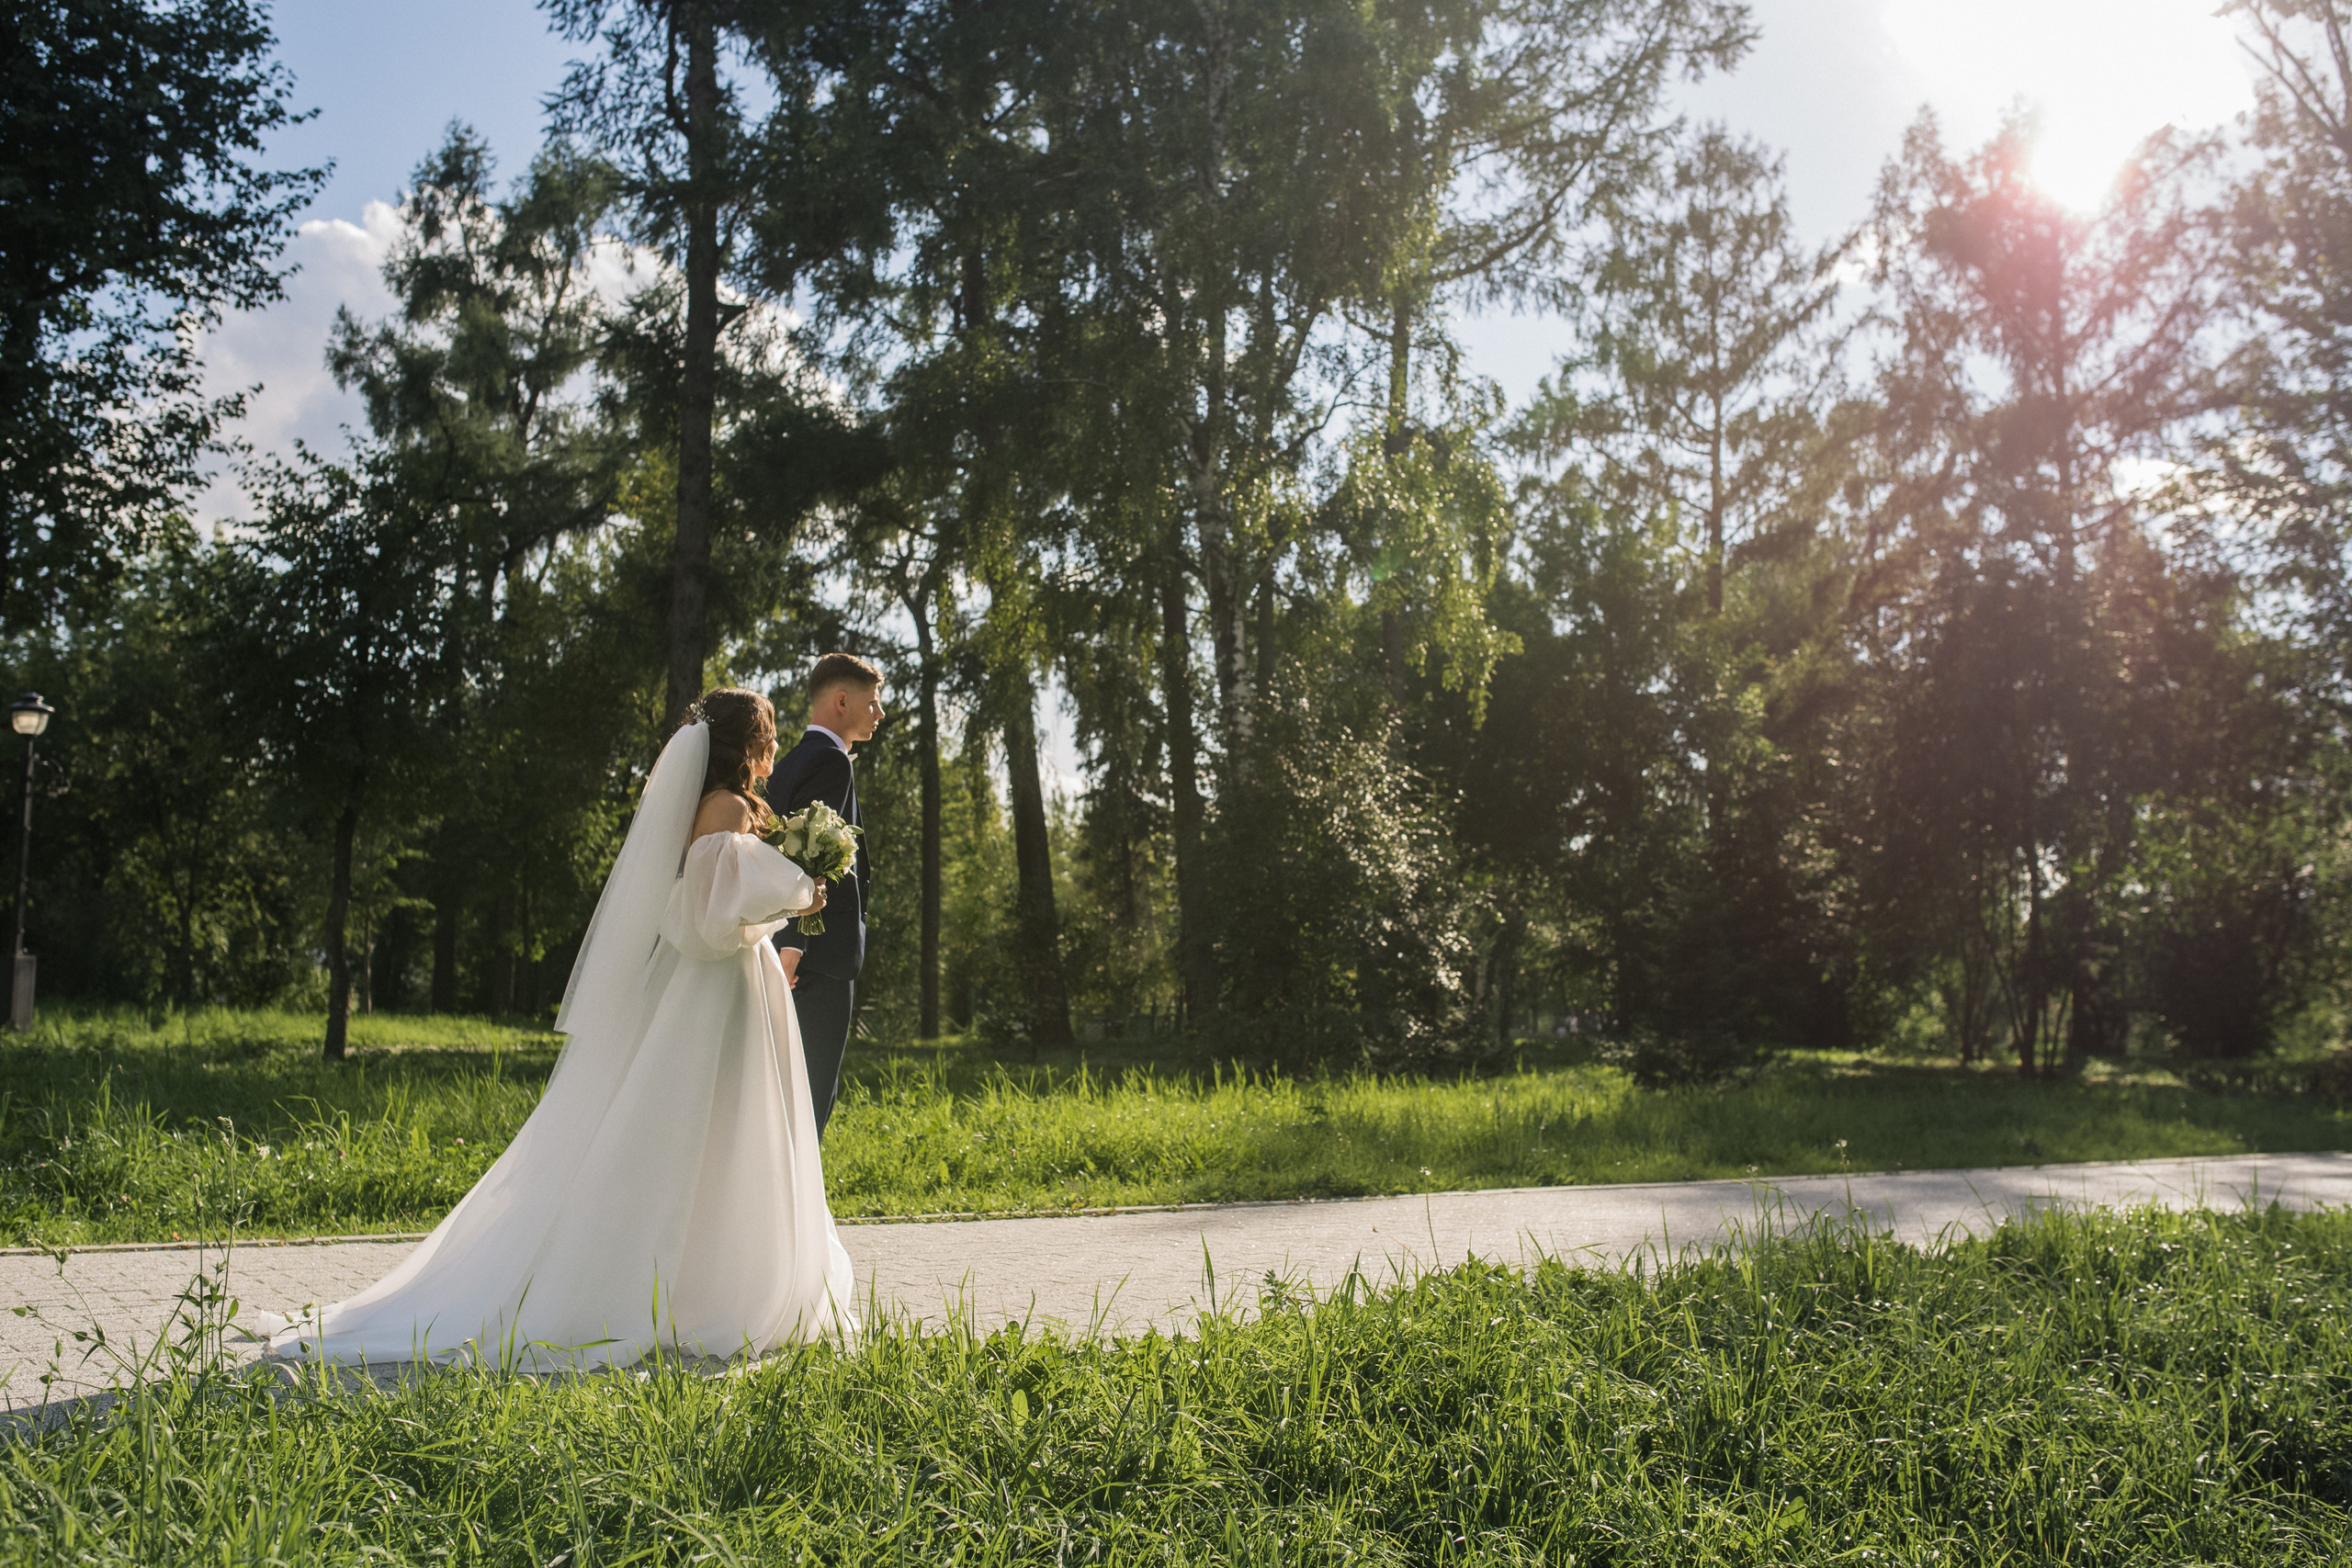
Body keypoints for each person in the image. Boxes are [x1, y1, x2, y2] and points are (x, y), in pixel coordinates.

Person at [262, 690, 855, 1370]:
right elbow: (713, 911)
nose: (776, 749)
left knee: (718, 1129)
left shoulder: (727, 806)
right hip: (717, 990)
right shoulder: (723, 807)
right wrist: (801, 889)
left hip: (727, 986)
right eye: (769, 735)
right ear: (745, 743)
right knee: (708, 1126)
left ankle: (704, 1277)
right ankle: (698, 1290)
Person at [769, 653, 883, 1137]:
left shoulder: (791, 761)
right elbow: (809, 861)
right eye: (873, 702)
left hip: (796, 952)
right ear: (841, 701)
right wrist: (796, 944)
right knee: (811, 1094)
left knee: (785, 1090)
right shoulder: (831, 761)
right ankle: (797, 1211)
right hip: (817, 957)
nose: (879, 714)